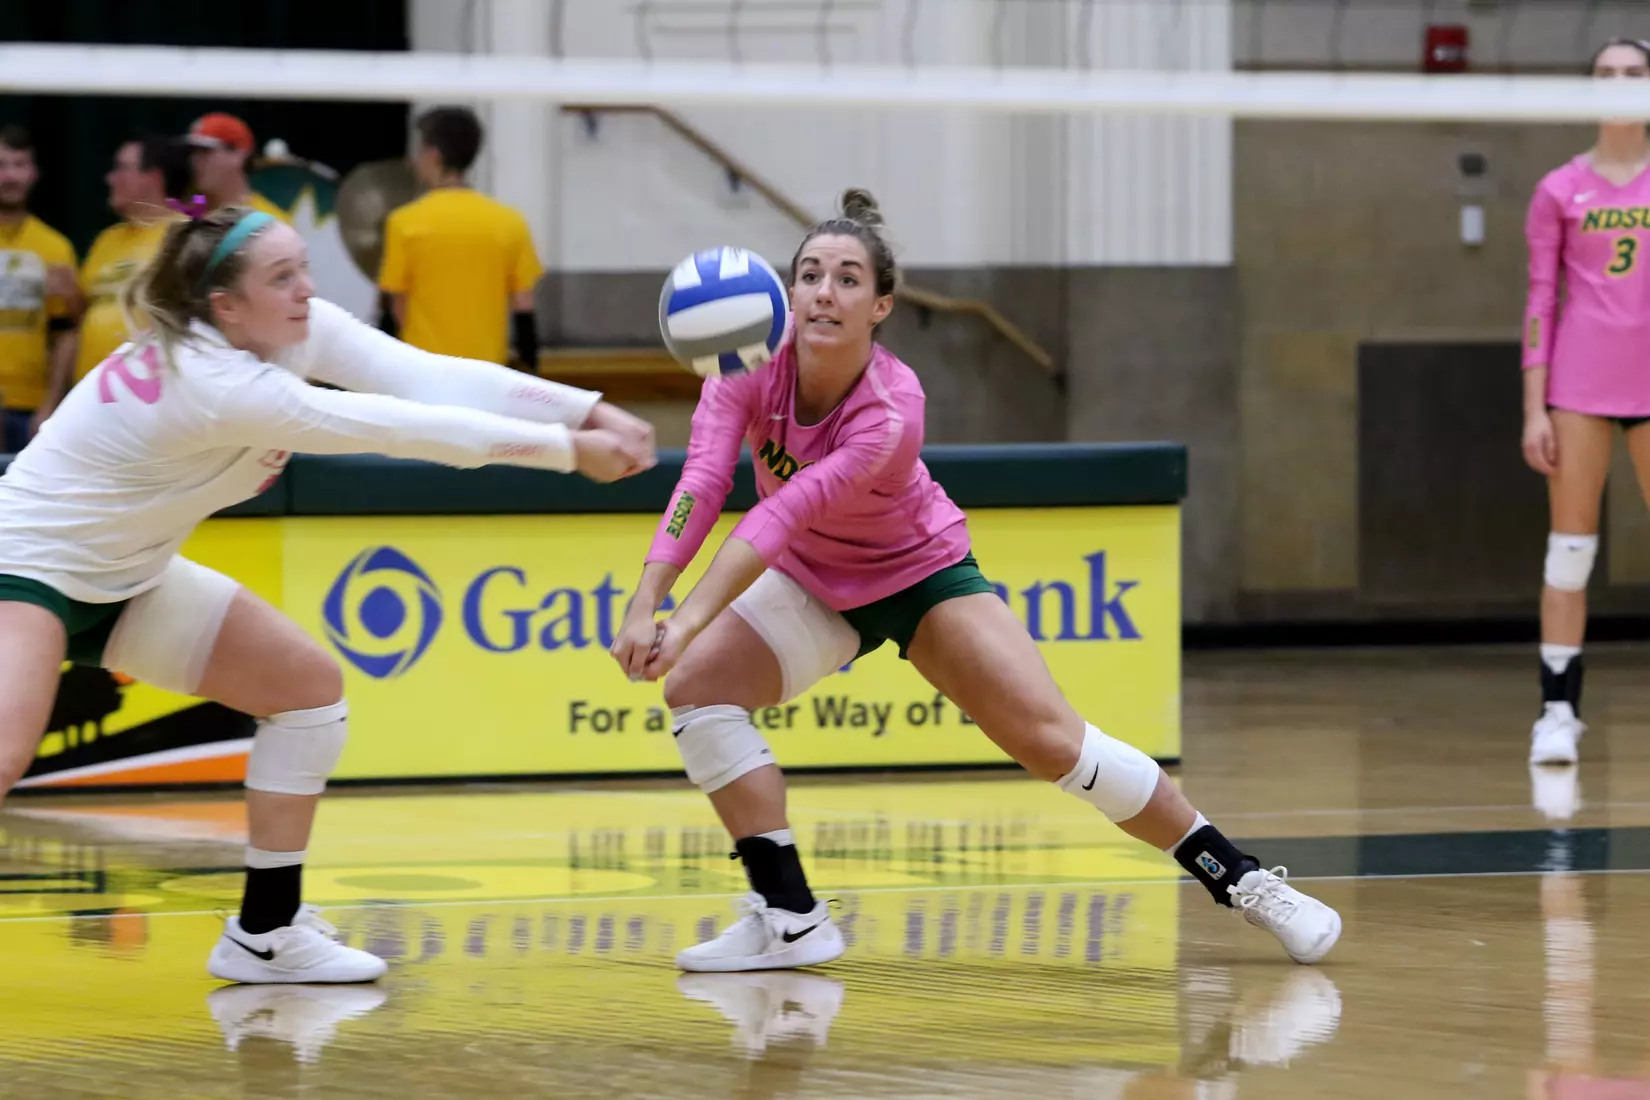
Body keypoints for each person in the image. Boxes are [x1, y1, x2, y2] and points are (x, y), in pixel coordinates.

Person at [611, 188, 1341, 973]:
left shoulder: (892, 409)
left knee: (1052, 743)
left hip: (917, 574)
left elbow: (776, 516)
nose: (825, 291)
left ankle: (1245, 880)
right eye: (810, 274)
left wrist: (683, 618)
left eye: (848, 279)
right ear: (787, 293)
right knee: (695, 687)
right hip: (813, 578)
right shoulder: (744, 369)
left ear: (881, 305)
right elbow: (704, 479)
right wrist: (648, 600)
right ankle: (790, 916)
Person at [0, 203, 655, 984]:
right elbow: (393, 428)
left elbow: (427, 375)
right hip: (27, 563)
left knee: (305, 690)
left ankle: (266, 934)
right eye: (283, 277)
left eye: (303, 266)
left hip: (129, 576)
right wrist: (566, 452)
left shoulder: (288, 326)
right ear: (225, 306)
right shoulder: (215, 381)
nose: (306, 289)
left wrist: (589, 407)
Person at [1521, 37, 1650, 767]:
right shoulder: (1559, 189)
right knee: (1570, 552)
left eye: (1634, 73)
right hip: (1580, 387)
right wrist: (1535, 407)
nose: (1620, 84)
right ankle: (1558, 710)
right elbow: (1541, 300)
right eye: (1606, 74)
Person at [377, 106, 543, 370]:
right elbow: (524, 305)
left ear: (433, 155)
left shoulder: (405, 222)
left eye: (419, 151)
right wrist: (531, 367)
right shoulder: (510, 222)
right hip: (487, 372)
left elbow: (397, 306)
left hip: (424, 372)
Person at [38, 134, 187, 422]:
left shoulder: (185, 236)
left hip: (153, 399)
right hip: (91, 396)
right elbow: (78, 325)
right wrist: (71, 298)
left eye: (121, 168)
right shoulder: (107, 240)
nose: (110, 178)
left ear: (152, 177)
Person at [0, 125, 80, 452]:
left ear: (33, 173)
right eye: (2, 166)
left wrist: (50, 405)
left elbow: (67, 331)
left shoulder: (55, 246)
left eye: (19, 165)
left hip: (31, 406)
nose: (11, 176)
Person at [184, 113, 291, 223]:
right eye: (192, 152)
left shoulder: (268, 223)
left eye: (205, 151)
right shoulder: (182, 218)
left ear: (238, 154)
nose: (195, 160)